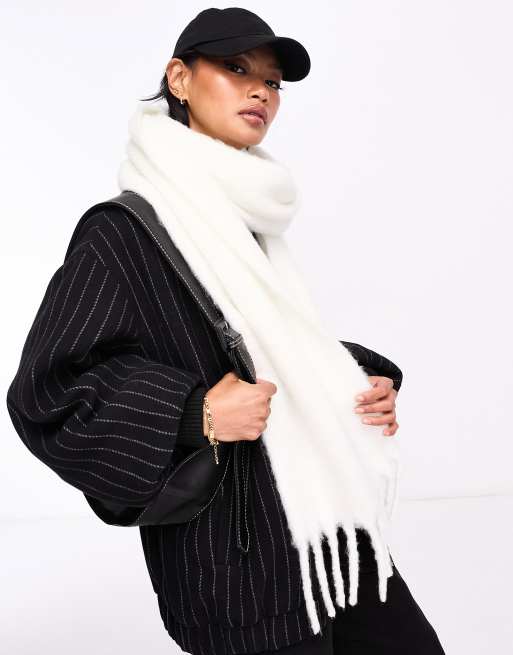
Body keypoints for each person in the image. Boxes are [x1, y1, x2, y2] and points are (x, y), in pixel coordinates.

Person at [6, 7, 446, 655]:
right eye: (237, 69)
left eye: (272, 82)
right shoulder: (122, 232)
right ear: (179, 79)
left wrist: (361, 378)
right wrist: (196, 413)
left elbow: (268, 348)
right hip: (239, 563)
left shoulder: (242, 216)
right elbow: (46, 393)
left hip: (329, 532)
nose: (260, 91)